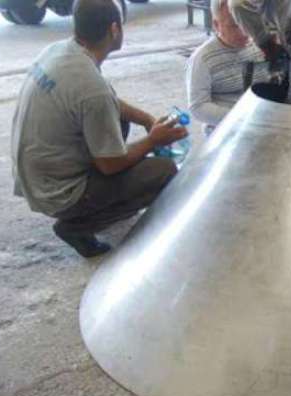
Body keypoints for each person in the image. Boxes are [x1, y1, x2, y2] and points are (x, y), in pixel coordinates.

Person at [11, 0, 187, 258]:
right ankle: (78, 226)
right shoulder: (91, 88)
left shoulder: (59, 51)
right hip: (58, 192)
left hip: (35, 176)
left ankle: (97, 200)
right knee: (163, 171)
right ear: (114, 29)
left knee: (118, 120)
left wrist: (147, 120)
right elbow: (110, 165)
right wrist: (153, 140)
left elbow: (105, 103)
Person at [187, 0, 271, 135]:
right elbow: (198, 108)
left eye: (245, 22)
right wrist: (242, 117)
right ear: (216, 25)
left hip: (262, 123)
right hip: (225, 131)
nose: (243, 32)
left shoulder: (260, 46)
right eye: (234, 26)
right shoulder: (203, 59)